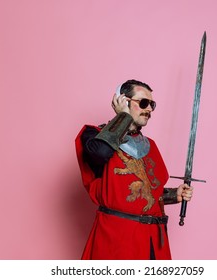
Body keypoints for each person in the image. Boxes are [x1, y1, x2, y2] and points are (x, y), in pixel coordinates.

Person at [75, 79, 193, 260]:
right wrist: (123, 117)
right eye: (143, 103)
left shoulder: (149, 145)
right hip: (116, 239)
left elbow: (148, 191)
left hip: (152, 241)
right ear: (122, 101)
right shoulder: (93, 136)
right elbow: (100, 153)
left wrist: (172, 195)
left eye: (152, 104)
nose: (149, 109)